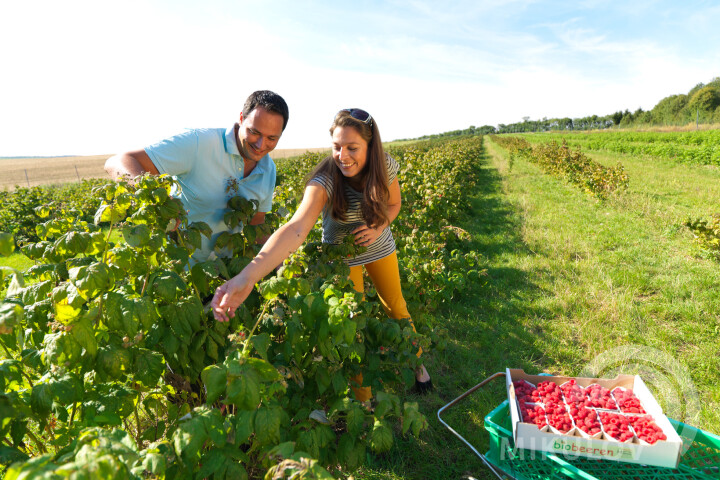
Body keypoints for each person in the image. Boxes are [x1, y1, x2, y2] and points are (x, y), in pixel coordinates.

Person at [211, 108, 433, 399]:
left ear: (370, 146)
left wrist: (379, 227)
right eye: (337, 147)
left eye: (352, 148)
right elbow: (297, 227)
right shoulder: (327, 178)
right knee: (351, 324)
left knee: (396, 307)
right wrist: (248, 275)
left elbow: (393, 205)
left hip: (379, 247)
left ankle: (417, 365)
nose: (343, 156)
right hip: (341, 258)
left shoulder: (385, 166)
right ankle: (362, 400)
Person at [104, 90, 289, 263]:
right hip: (175, 269)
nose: (260, 144)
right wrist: (155, 201)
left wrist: (279, 260)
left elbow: (257, 225)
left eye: (272, 138)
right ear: (241, 118)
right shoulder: (201, 143)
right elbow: (120, 161)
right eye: (254, 132)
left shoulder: (268, 169)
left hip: (222, 273)